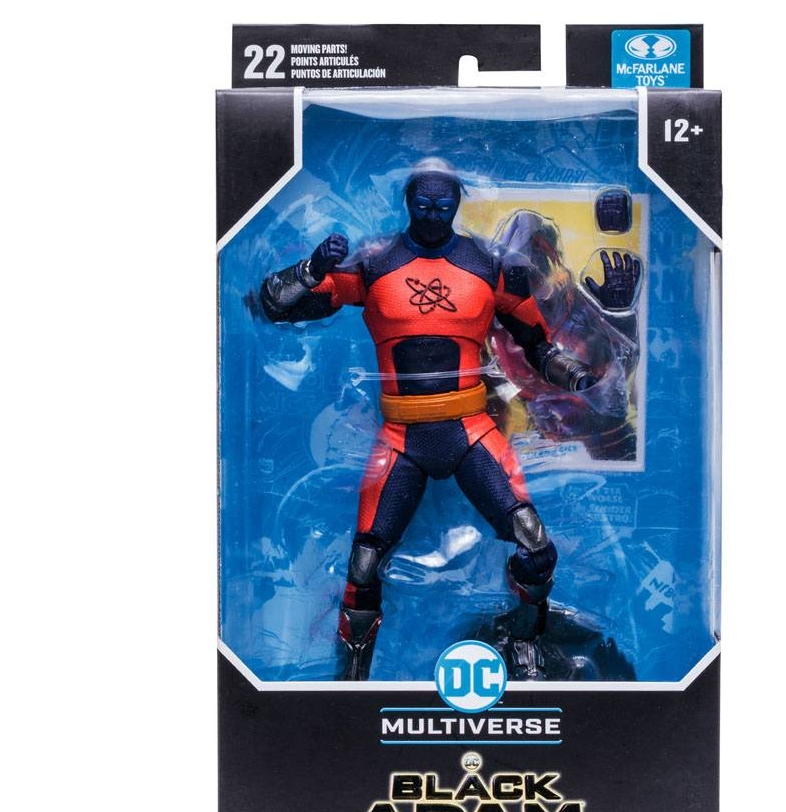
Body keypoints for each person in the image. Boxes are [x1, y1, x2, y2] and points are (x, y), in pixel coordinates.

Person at [259, 159, 632, 680]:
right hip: (401, 435)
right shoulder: (374, 263)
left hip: (470, 429)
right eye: (423, 205)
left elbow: (537, 343)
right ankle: (352, 673)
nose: (433, 214)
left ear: (456, 205)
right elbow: (277, 304)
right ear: (407, 203)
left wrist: (574, 375)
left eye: (443, 205)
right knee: (364, 562)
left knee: (532, 539)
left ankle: (527, 639)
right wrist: (310, 269)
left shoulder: (489, 265)